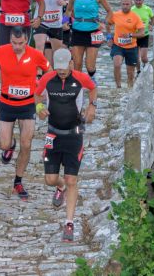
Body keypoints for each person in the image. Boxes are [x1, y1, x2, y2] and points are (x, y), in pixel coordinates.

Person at [0, 27, 50, 200]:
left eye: (21, 43)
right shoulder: (1, 51)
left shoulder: (35, 54)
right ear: (10, 39)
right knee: (3, 144)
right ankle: (10, 146)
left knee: (27, 145)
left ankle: (18, 181)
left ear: (27, 40)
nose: (17, 46)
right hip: (7, 103)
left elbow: (49, 70)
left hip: (27, 105)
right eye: (14, 43)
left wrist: (41, 81)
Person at [35, 48, 97, 242]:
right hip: (52, 135)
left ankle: (69, 223)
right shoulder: (47, 79)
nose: (61, 71)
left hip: (74, 134)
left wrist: (92, 106)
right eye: (58, 68)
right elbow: (37, 95)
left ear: (71, 63)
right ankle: (59, 187)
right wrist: (39, 108)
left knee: (72, 180)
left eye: (64, 67)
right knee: (50, 179)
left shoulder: (80, 79)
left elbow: (93, 88)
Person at [65, 0, 113, 82]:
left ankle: (92, 78)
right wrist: (64, 22)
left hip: (93, 31)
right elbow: (68, 11)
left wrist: (104, 23)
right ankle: (77, 85)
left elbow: (110, 12)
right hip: (77, 31)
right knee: (77, 63)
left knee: (90, 65)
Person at [33, 0, 71, 69]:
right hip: (40, 21)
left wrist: (65, 3)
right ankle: (38, 75)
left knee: (57, 53)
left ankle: (56, 74)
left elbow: (72, 3)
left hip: (56, 23)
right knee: (39, 47)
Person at [107, 0, 145, 89]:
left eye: (127, 4)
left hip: (131, 47)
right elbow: (107, 24)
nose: (125, 6)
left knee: (130, 73)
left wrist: (131, 35)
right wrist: (109, 37)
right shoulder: (115, 15)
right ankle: (118, 87)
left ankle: (130, 88)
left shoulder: (135, 17)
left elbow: (142, 33)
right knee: (117, 64)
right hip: (117, 45)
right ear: (120, 4)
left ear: (131, 4)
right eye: (123, 4)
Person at [131, 0, 154, 75]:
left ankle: (147, 66)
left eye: (140, 0)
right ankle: (138, 71)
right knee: (136, 57)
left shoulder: (147, 9)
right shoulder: (131, 9)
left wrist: (151, 25)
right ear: (134, 0)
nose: (138, 2)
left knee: (144, 57)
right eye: (136, 0)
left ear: (143, 0)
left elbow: (153, 19)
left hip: (144, 35)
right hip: (134, 36)